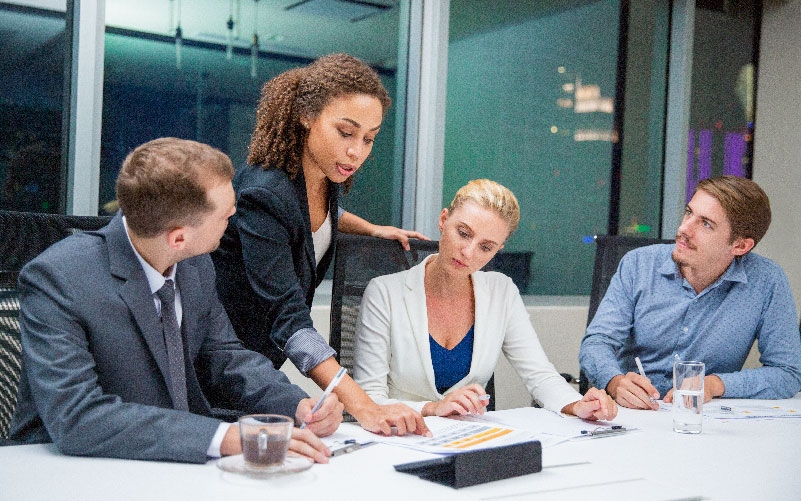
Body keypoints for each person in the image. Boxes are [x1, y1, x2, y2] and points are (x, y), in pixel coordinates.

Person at [8, 138, 343, 463]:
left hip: (173, 463)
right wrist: (224, 438)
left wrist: (296, 404)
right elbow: (77, 418)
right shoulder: (58, 278)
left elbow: (225, 356)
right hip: (70, 469)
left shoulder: (194, 263)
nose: (235, 217)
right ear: (178, 237)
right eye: (226, 216)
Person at [211, 53, 430, 436]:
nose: (356, 151)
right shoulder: (264, 193)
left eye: (368, 138)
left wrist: (372, 228)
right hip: (221, 368)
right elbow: (288, 317)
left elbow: (321, 216)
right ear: (306, 116)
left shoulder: (319, 174)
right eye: (346, 132)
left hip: (260, 362)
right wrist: (364, 406)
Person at [353, 179, 617, 420]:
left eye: (485, 247)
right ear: (443, 220)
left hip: (471, 441)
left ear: (497, 250)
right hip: (398, 440)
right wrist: (432, 408)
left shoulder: (501, 291)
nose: (468, 252)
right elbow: (369, 399)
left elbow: (540, 375)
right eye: (463, 233)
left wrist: (577, 404)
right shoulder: (384, 293)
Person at [580, 175, 801, 410]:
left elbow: (787, 373)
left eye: (706, 224)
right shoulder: (638, 264)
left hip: (703, 420)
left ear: (740, 246)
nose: (684, 228)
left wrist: (714, 385)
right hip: (632, 414)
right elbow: (597, 342)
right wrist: (615, 382)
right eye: (688, 213)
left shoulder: (766, 281)